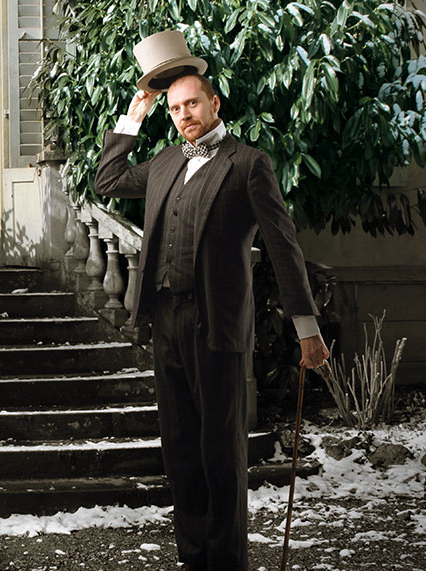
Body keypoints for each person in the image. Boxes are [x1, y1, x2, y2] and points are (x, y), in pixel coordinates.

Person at [94, 72, 331, 571]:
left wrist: (307, 329)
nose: (184, 115)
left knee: (221, 457)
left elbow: (285, 249)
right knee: (179, 453)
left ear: (214, 102)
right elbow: (108, 181)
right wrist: (135, 114)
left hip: (218, 327)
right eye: (176, 109)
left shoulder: (247, 165)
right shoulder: (163, 164)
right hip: (166, 323)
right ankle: (193, 561)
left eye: (192, 104)